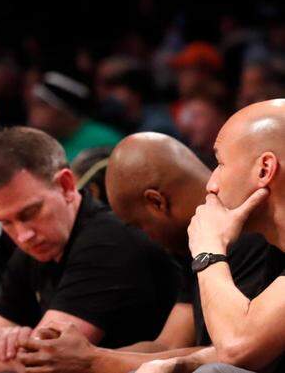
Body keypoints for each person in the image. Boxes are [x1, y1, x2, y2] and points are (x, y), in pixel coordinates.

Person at [17, 132, 283, 373]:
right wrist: (83, 355)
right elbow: (167, 345)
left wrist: (93, 360)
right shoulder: (194, 241)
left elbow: (232, 353)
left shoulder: (245, 237)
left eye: (138, 226)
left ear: (156, 202)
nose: (213, 181)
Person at [0, 127, 178, 373]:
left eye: (30, 213)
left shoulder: (107, 242)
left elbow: (43, 364)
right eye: (6, 222)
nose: (23, 235)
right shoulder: (35, 247)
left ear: (66, 185)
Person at [139, 99, 285, 373]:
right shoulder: (276, 249)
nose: (211, 184)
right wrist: (181, 363)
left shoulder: (239, 248)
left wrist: (209, 250)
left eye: (220, 163)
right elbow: (259, 338)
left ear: (265, 169)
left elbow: (236, 347)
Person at [28, 71, 123, 161]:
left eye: (42, 105)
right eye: (32, 105)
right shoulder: (40, 143)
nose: (33, 113)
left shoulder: (104, 142)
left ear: (66, 111)